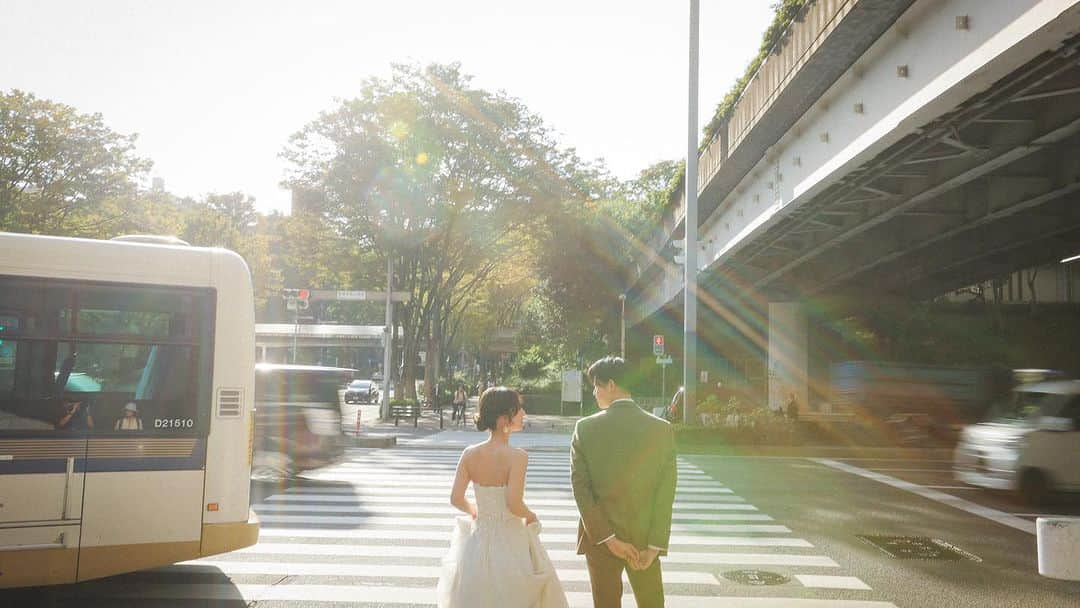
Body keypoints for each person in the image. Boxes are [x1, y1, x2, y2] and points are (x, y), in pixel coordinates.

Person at [437, 387, 568, 608]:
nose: (523, 413)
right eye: (518, 409)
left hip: (478, 538)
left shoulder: (469, 454)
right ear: (504, 417)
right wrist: (532, 515)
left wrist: (475, 512)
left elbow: (456, 498)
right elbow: (514, 504)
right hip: (510, 537)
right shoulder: (517, 457)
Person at [572, 356, 677, 608]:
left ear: (611, 385)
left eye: (596, 386)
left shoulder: (585, 428)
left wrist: (608, 538)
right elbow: (665, 493)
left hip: (601, 539)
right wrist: (655, 544)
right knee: (651, 603)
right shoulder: (661, 429)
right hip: (644, 539)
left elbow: (581, 490)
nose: (594, 392)